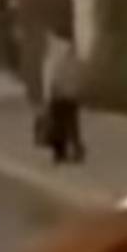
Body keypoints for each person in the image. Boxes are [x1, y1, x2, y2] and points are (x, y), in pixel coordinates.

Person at [41, 31, 86, 164]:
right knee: (72, 125)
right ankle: (75, 151)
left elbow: (53, 79)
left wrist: (49, 96)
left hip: (60, 96)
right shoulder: (75, 61)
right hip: (70, 97)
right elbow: (79, 79)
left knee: (59, 125)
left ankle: (60, 154)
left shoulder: (56, 59)